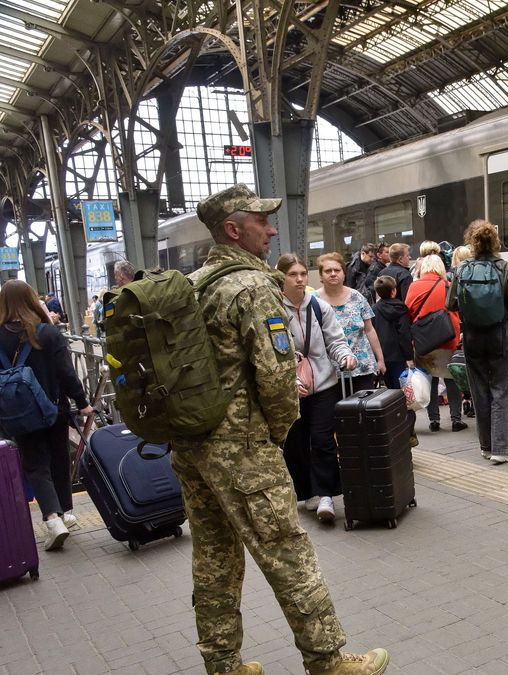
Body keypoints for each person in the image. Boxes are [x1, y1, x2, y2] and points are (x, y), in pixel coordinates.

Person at [175, 184, 388, 675]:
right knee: (286, 551)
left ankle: (223, 665)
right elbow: (276, 378)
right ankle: (328, 660)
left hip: (191, 446)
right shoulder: (251, 287)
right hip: (242, 448)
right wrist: (275, 436)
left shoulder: (195, 283)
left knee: (213, 557)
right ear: (233, 229)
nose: (271, 229)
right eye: (261, 221)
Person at [0, 279, 91, 551]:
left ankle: (53, 520)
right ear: (32, 300)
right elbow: (67, 373)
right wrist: (83, 402)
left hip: (18, 413)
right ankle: (63, 514)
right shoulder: (49, 334)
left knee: (36, 464)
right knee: (59, 459)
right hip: (54, 408)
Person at [277, 253, 357, 524]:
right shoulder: (274, 310)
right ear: (282, 278)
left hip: (324, 384)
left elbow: (335, 339)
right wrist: (289, 379)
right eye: (293, 275)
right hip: (292, 388)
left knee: (322, 439)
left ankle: (325, 495)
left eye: (302, 274)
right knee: (296, 442)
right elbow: (272, 352)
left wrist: (345, 355)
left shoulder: (319, 306)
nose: (300, 279)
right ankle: (307, 491)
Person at [447, 220, 508, 463]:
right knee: (501, 389)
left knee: (479, 391)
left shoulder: (462, 269)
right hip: (499, 334)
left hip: (472, 336)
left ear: (472, 242)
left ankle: (486, 446)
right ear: (495, 242)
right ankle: (501, 450)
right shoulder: (504, 268)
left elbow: (451, 304)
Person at [406, 253, 465, 433]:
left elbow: (408, 312)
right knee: (452, 379)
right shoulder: (448, 286)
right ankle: (456, 419)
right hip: (448, 338)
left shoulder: (414, 287)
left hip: (424, 342)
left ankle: (434, 420)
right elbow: (458, 312)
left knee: (429, 379)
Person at [315, 252, 387, 393]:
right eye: (328, 271)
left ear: (344, 273)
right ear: (321, 276)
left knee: (363, 411)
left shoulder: (357, 297)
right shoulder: (313, 301)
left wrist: (380, 360)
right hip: (329, 372)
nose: (333, 274)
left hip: (362, 368)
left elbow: (369, 330)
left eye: (337, 270)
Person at [371, 276, 414, 390]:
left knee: (389, 388)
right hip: (398, 354)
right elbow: (404, 333)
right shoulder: (401, 308)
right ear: (394, 290)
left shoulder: (374, 309)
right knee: (400, 386)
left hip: (382, 354)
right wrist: (409, 356)